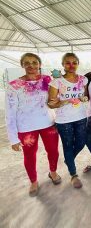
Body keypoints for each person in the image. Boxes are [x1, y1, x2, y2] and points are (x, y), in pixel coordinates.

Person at [5, 53, 61, 196]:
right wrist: (13, 138)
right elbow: (10, 113)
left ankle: (53, 172)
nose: (31, 66)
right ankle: (34, 181)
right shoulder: (13, 86)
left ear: (39, 64)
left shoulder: (48, 80)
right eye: (27, 63)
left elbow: (56, 99)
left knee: (53, 151)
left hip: (48, 123)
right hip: (26, 127)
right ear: (22, 65)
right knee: (29, 156)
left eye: (34, 62)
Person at [48, 53, 88, 189]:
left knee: (81, 142)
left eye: (74, 62)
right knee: (68, 145)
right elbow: (51, 103)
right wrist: (65, 101)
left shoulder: (83, 80)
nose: (71, 65)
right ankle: (73, 174)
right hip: (64, 120)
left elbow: (85, 96)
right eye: (67, 63)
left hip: (81, 117)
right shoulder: (56, 82)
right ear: (63, 64)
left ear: (78, 63)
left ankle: (68, 159)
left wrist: (84, 98)